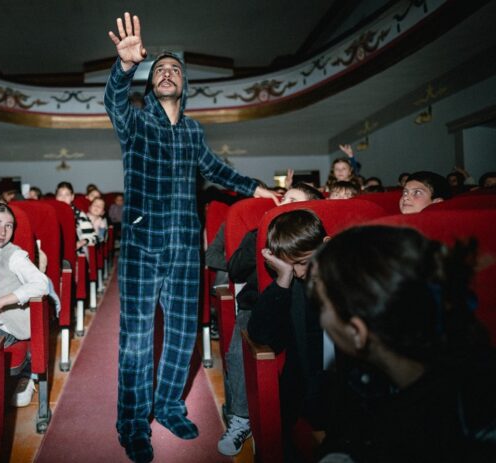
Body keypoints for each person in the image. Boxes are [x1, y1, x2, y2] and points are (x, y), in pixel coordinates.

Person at [105, 12, 277, 462]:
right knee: (137, 339)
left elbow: (215, 169)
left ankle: (168, 406)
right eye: (160, 69)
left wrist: (256, 188)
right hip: (141, 246)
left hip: (185, 246)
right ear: (150, 83)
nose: (167, 72)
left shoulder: (194, 130)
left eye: (175, 70)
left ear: (184, 85)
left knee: (182, 335)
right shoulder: (135, 122)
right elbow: (114, 101)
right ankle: (132, 422)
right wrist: (125, 67)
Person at [312, 226, 496, 462]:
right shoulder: (370, 377)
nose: (320, 316)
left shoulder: (468, 427)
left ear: (357, 331)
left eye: (321, 305)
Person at [218, 210, 331, 457]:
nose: (299, 273)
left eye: (304, 262)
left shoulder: (352, 279)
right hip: (308, 388)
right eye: (291, 266)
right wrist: (283, 278)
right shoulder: (294, 287)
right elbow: (262, 336)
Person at [0, 203, 49, 407]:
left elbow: (41, 284)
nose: (3, 231)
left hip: (7, 326)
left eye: (8, 226)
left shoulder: (14, 255)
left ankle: (26, 370)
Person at [55, 181, 98, 251]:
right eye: (60, 195)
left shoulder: (79, 214)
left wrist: (82, 242)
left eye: (67, 195)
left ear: (72, 197)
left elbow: (94, 238)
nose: (63, 198)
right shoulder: (51, 213)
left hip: (75, 251)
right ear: (56, 197)